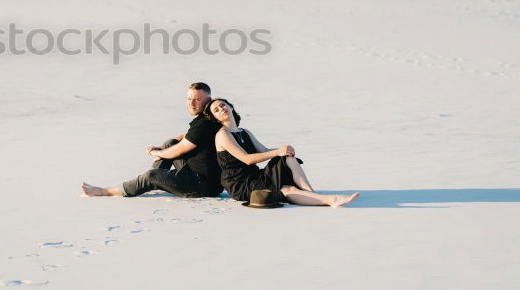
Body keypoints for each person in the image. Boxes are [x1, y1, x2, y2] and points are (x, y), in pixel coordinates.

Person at [206, 98, 359, 208]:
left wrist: (284, 150)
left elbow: (264, 151)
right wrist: (277, 152)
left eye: (222, 105)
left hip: (254, 176)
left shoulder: (244, 132)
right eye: (216, 110)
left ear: (231, 107)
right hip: (239, 183)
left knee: (287, 158)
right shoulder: (222, 135)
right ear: (215, 118)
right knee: (286, 189)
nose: (221, 109)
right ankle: (330, 200)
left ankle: (312, 195)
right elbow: (247, 160)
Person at [82, 82, 223, 198]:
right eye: (188, 99)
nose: (191, 104)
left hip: (202, 186)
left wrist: (157, 153)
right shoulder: (209, 118)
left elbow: (180, 150)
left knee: (151, 175)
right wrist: (163, 146)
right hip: (201, 176)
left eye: (197, 100)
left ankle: (105, 191)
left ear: (208, 101)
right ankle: (152, 183)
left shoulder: (204, 124)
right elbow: (187, 136)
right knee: (170, 144)